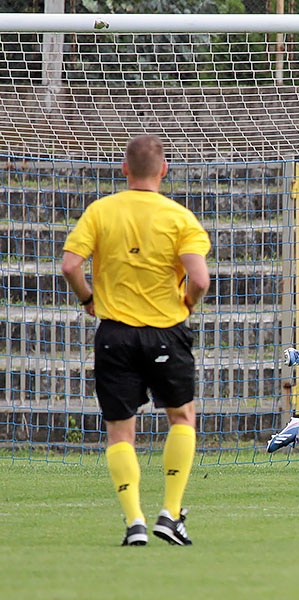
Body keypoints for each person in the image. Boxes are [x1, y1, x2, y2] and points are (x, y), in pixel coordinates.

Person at [61, 134, 211, 546]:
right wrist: (187, 303)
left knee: (119, 433)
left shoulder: (101, 211)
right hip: (167, 332)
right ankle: (171, 512)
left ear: (125, 169)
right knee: (181, 419)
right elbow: (199, 279)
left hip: (115, 335)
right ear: (163, 170)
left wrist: (89, 299)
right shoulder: (179, 218)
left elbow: (70, 265)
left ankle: (135, 523)